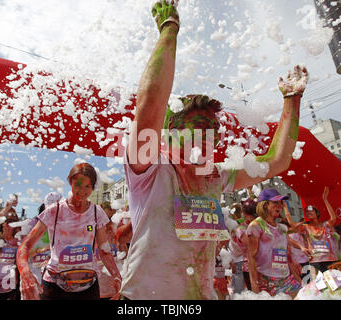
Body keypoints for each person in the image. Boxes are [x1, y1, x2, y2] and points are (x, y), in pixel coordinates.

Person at [119, 1, 308, 300]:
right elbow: (150, 105)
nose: (210, 133)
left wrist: (292, 100)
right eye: (198, 124)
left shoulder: (215, 177)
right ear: (174, 131)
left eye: (214, 128)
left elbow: (275, 162)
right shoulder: (150, 170)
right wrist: (169, 30)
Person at [17, 163, 122, 300]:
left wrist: (116, 276)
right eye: (77, 185)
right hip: (54, 286)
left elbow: (103, 250)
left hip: (88, 287)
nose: (82, 191)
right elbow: (24, 247)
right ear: (70, 182)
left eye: (87, 186)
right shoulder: (54, 211)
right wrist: (25, 272)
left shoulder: (97, 213)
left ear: (93, 187)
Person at [247, 189, 309, 297]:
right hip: (267, 281)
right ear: (265, 205)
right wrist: (254, 285)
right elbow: (251, 257)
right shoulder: (256, 226)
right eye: (276, 203)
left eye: (281, 203)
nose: (280, 206)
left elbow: (287, 255)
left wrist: (298, 280)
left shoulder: (281, 228)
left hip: (287, 279)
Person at [293, 186, 338, 275]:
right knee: (318, 285)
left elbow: (333, 218)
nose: (309, 212)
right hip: (315, 260)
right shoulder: (305, 227)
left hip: (329, 259)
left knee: (332, 282)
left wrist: (325, 199)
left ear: (317, 213)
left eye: (311, 211)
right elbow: (292, 229)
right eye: (307, 212)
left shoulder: (325, 225)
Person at [230, 198, 257, 293]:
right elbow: (250, 244)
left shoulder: (259, 225)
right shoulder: (241, 228)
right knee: (249, 292)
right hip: (246, 265)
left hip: (258, 265)